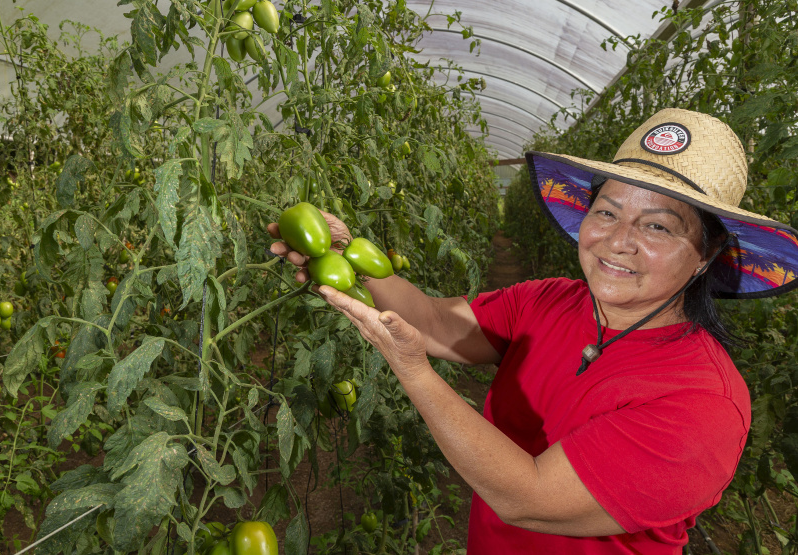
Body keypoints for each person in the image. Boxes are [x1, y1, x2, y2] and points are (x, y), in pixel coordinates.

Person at [268, 108, 798, 553]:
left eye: (657, 226)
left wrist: (413, 370)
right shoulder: (549, 300)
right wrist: (341, 257)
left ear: (706, 256)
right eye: (606, 212)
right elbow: (432, 323)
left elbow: (528, 497)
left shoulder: (702, 403)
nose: (618, 241)